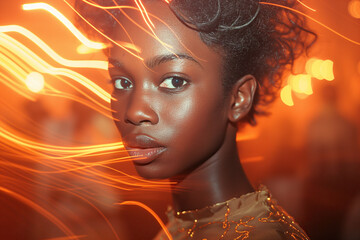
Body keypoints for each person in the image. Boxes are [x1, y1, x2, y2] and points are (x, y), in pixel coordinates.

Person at [75, 0, 316, 239]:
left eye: (174, 81)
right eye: (122, 82)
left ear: (238, 99)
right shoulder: (180, 228)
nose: (135, 112)